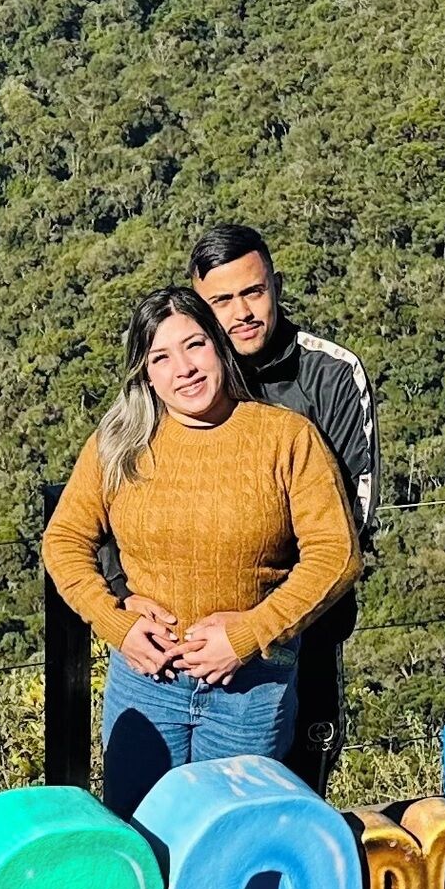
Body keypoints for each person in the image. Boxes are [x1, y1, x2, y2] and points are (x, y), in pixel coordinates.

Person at [42, 286, 357, 817]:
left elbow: (336, 554)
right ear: (144, 373)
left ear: (219, 346)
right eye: (160, 357)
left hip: (251, 688)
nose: (182, 368)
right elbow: (65, 539)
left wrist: (247, 635)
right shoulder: (120, 442)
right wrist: (115, 621)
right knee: (141, 847)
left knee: (232, 852)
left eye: (194, 345)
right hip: (146, 683)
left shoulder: (285, 438)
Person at [187, 225, 374, 788]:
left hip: (304, 636)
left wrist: (251, 626)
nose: (241, 312)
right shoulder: (185, 376)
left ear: (276, 286)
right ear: (198, 307)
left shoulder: (332, 376)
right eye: (221, 300)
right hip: (193, 642)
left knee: (292, 800)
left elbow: (350, 525)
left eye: (254, 292)